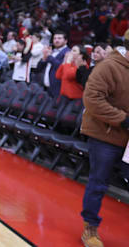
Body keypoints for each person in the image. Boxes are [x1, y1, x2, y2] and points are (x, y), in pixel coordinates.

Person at [79, 33, 129, 247]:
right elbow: (92, 99)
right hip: (105, 135)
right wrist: (123, 120)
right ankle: (90, 227)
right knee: (99, 182)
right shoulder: (109, 66)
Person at [42, 31, 69, 98]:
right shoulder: (52, 51)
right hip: (47, 86)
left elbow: (61, 67)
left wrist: (49, 56)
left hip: (58, 87)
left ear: (65, 41)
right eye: (55, 38)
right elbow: (39, 68)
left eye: (59, 38)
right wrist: (44, 58)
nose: (56, 40)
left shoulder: (68, 52)